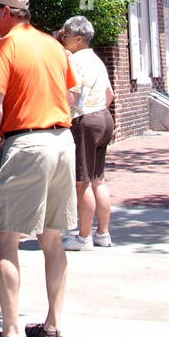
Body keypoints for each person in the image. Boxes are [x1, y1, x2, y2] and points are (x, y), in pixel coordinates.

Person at [0, 0, 77, 337]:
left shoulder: (3, 48)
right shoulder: (53, 45)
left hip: (27, 144)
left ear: (6, 12)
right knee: (52, 238)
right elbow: (71, 95)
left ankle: (11, 336)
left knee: (4, 240)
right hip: (63, 141)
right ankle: (53, 327)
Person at [58, 16, 115, 251]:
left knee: (81, 183)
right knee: (98, 180)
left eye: (66, 36)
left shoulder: (75, 61)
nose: (63, 39)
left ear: (78, 39)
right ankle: (103, 233)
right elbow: (109, 93)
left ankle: (83, 237)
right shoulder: (96, 60)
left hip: (84, 120)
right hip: (104, 117)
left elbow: (72, 94)